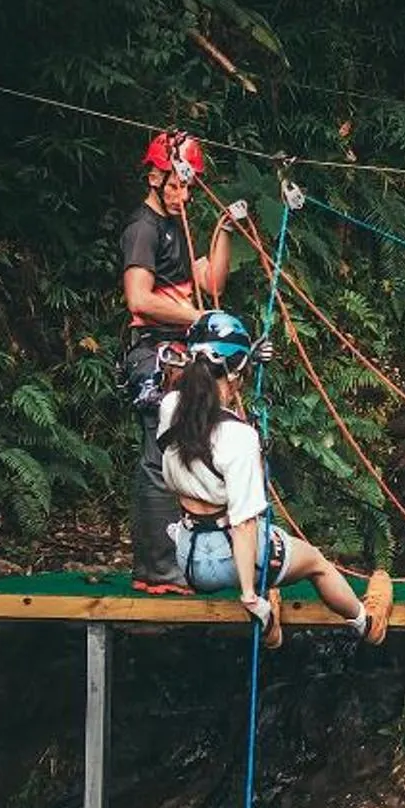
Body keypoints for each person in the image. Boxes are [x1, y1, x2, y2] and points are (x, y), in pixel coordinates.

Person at [158, 309, 390, 648]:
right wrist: (250, 598)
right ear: (236, 372)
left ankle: (269, 610)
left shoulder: (171, 408)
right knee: (316, 562)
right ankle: (365, 623)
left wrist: (246, 360)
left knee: (266, 552)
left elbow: (208, 410)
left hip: (189, 558)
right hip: (229, 557)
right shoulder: (239, 439)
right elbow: (244, 525)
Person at [120, 131, 241, 591]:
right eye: (175, 185)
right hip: (155, 352)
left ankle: (179, 562)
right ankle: (156, 568)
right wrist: (199, 318)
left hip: (181, 353)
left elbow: (212, 283)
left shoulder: (177, 224)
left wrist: (224, 231)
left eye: (188, 186)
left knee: (182, 451)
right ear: (154, 176)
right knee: (159, 456)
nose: (183, 195)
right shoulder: (144, 228)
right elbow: (138, 298)